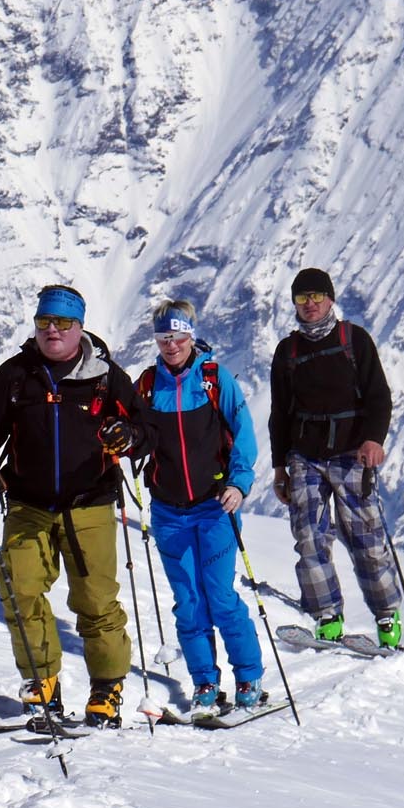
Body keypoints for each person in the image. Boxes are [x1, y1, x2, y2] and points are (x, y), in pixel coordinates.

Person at [0, 285, 153, 728]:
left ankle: (106, 688)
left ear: (80, 327)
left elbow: (148, 429)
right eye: (45, 321)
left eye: (63, 322)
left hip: (89, 504)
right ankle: (42, 682)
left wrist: (129, 438)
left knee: (95, 600)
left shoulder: (107, 378)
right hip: (28, 504)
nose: (53, 330)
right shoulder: (15, 375)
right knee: (19, 588)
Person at [134, 299, 264, 716]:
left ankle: (249, 676)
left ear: (192, 335)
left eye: (178, 336)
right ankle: (205, 682)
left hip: (214, 508)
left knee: (221, 597)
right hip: (169, 512)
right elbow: (135, 436)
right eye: (163, 338)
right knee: (188, 602)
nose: (171, 345)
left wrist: (239, 484)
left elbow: (244, 434)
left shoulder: (213, 378)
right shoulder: (148, 384)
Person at [269, 268, 403, 648]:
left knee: (366, 539)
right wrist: (281, 468)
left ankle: (386, 616)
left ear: (330, 298)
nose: (309, 304)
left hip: (352, 452)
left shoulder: (353, 340)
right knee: (309, 535)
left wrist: (374, 440)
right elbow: (280, 412)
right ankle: (327, 614)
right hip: (304, 455)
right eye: (301, 297)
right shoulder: (288, 351)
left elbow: (379, 396)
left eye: (316, 296)